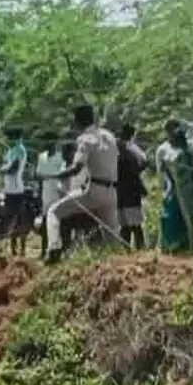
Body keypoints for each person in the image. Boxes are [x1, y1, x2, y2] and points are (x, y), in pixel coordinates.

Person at [40, 104, 119, 265]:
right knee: (113, 241)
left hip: (93, 191)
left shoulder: (84, 139)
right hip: (111, 193)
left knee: (53, 212)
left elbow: (76, 168)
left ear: (78, 121)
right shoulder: (109, 136)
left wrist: (52, 176)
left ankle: (54, 248)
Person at [158, 121, 193, 253]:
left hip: (190, 189)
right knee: (170, 218)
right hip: (173, 189)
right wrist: (164, 188)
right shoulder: (163, 149)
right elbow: (162, 171)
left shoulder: (190, 147)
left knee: (192, 219)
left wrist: (184, 124)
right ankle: (171, 247)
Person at [116, 123, 148, 249]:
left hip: (127, 191)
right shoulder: (126, 151)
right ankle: (129, 249)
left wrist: (140, 184)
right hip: (126, 190)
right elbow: (140, 166)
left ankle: (135, 248)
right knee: (127, 224)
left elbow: (137, 170)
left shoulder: (130, 151)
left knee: (132, 224)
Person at [35, 138, 68, 258]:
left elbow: (63, 175)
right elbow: (38, 175)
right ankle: (44, 251)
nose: (48, 144)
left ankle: (58, 251)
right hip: (45, 195)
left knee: (57, 225)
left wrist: (47, 176)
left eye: (51, 142)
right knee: (44, 226)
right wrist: (39, 195)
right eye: (46, 142)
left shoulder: (60, 158)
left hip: (57, 195)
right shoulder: (41, 157)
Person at [0, 128, 30, 257]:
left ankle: (22, 249)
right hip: (9, 189)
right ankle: (13, 249)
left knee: (19, 219)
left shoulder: (19, 149)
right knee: (11, 218)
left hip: (16, 189)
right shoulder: (11, 150)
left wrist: (2, 169)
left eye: (9, 136)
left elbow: (13, 169)